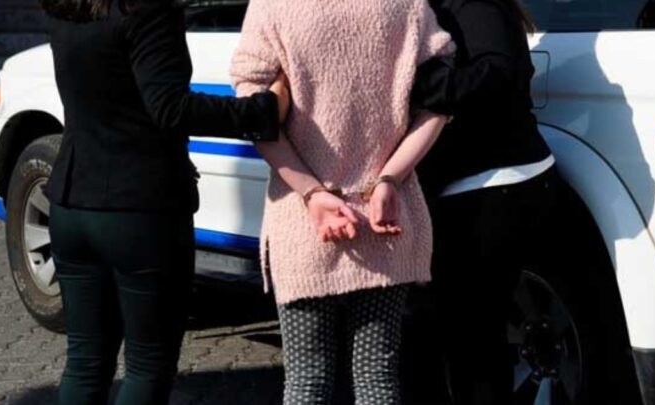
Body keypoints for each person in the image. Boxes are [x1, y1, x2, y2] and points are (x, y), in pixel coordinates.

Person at [40, 0, 289, 403]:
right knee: (147, 367)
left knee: (85, 364)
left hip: (71, 201)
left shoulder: (65, 7)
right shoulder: (148, 10)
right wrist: (262, 111)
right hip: (141, 208)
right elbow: (170, 108)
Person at [230, 0, 454, 403]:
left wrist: (312, 193)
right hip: (386, 218)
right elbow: (439, 103)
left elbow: (255, 115)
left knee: (307, 382)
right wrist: (389, 178)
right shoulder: (408, 5)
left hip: (302, 224)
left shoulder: (273, 6)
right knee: (378, 378)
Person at [405, 0, 559, 403]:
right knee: (470, 339)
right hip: (483, 184)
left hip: (492, 187)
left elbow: (497, 71)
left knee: (473, 342)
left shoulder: (474, 4)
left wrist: (420, 86)